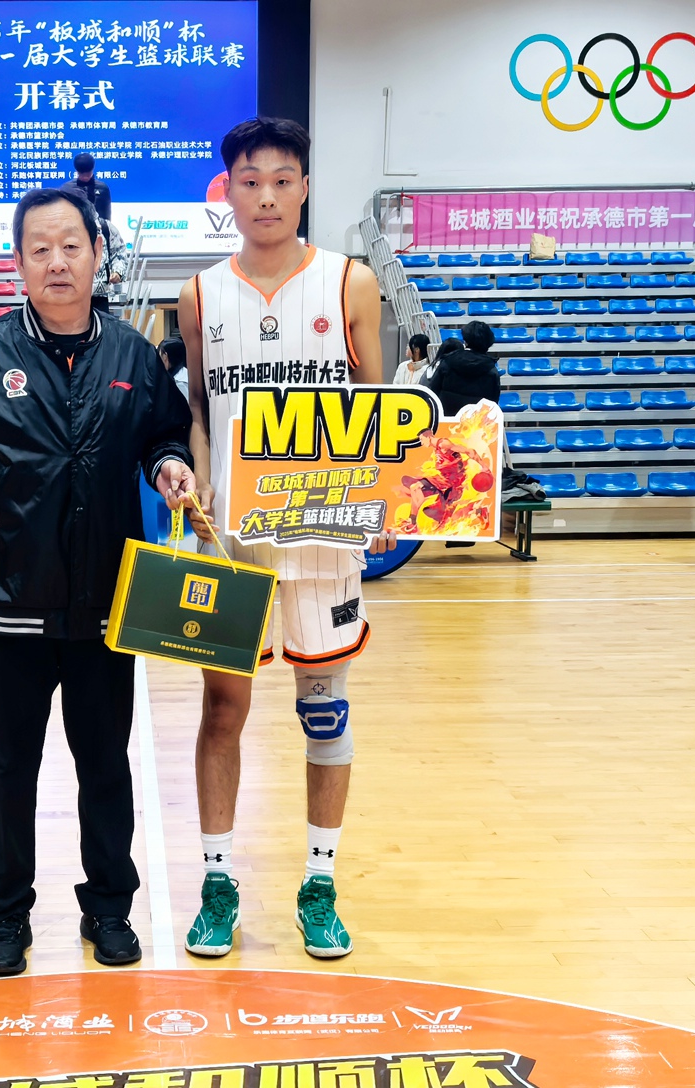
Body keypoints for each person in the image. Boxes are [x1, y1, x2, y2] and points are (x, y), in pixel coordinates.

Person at [0, 186, 196, 977]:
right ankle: (5, 916)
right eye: (39, 249)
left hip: (108, 601)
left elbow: (164, 435)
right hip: (10, 602)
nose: (57, 262)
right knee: (9, 769)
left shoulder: (134, 355)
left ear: (97, 254)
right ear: (18, 262)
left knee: (106, 765)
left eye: (71, 246)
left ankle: (109, 908)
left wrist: (169, 464)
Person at [178, 116, 390, 961]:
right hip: (232, 541)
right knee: (221, 711)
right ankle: (217, 883)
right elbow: (199, 409)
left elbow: (381, 413)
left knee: (324, 712)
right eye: (249, 180)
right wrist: (198, 487)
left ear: (304, 187)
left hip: (324, 541)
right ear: (227, 191)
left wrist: (383, 501)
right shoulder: (199, 295)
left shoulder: (351, 283)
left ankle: (320, 885)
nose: (265, 195)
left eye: (282, 179)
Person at [423, 321, 500, 415]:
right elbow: (493, 404)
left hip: (446, 419)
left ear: (466, 341)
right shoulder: (492, 370)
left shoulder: (448, 361)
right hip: (476, 422)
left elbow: (432, 392)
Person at [63, 151, 111, 221]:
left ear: (92, 169)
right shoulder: (67, 189)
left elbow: (106, 216)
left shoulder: (102, 189)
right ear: (77, 171)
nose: (85, 177)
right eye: (82, 174)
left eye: (88, 174)